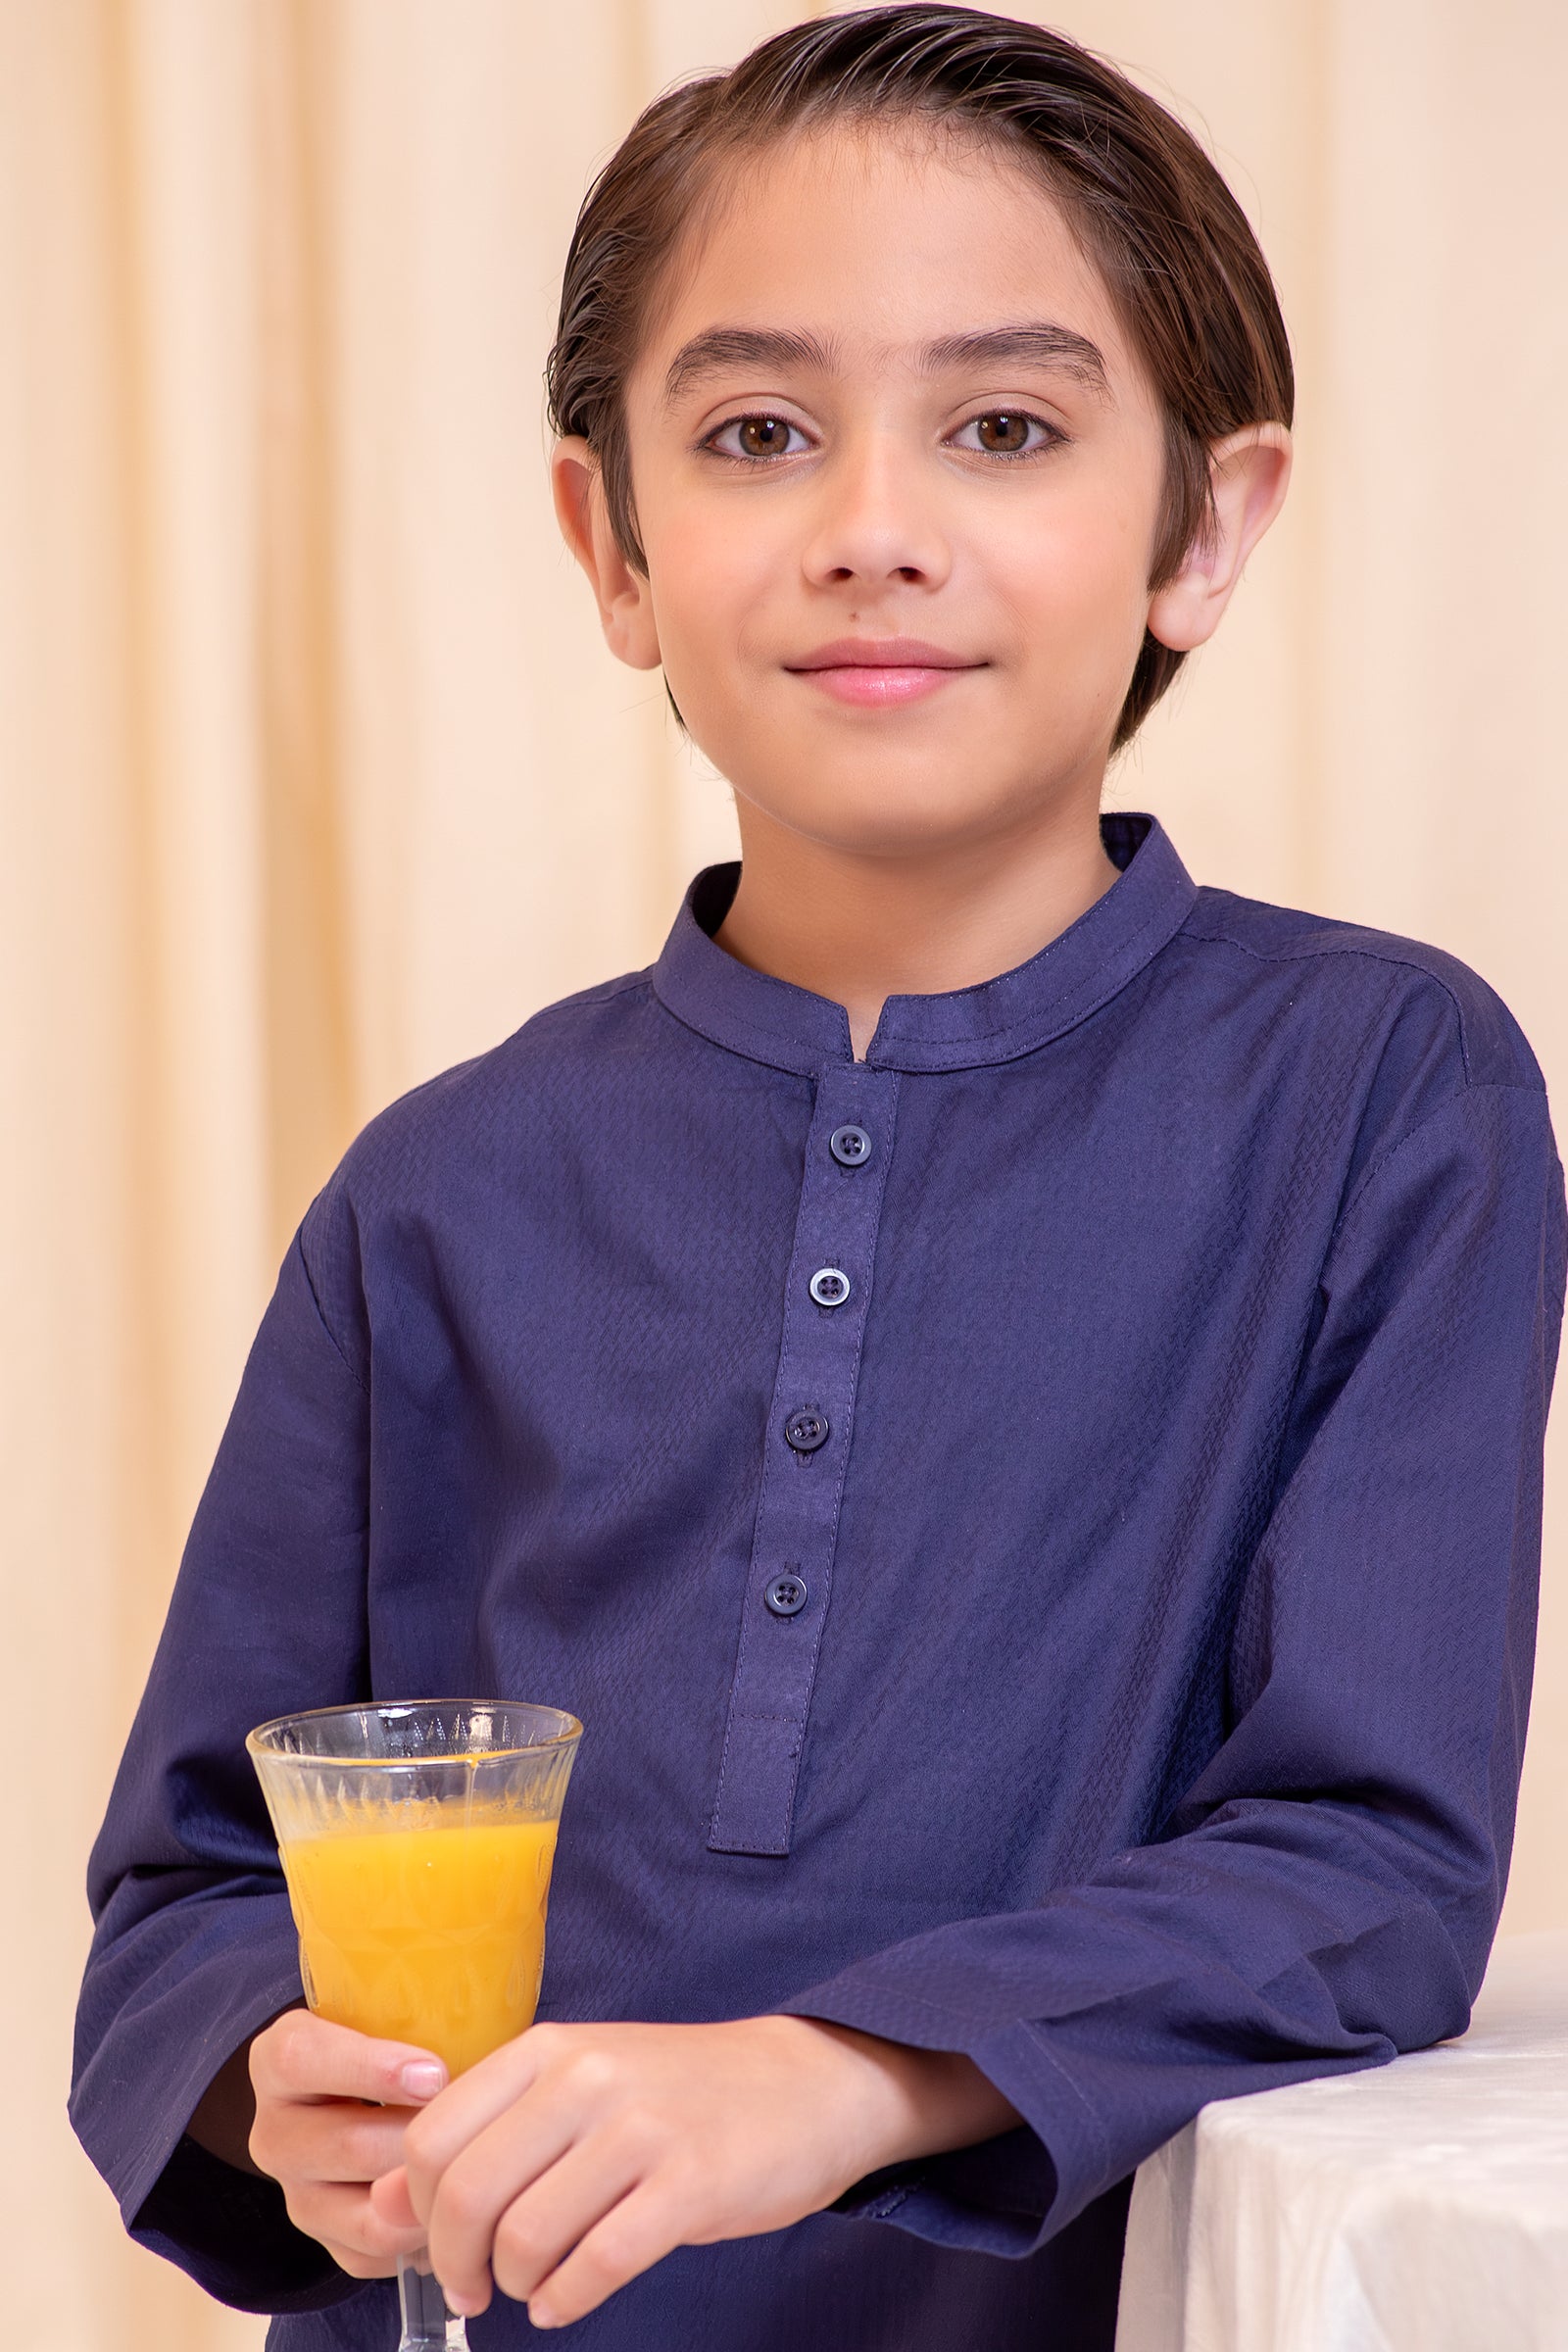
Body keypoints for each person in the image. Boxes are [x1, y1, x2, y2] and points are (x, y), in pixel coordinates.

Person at [72, 8, 1565, 2348]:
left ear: (1199, 528)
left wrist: (831, 2077)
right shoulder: (437, 1189)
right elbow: (187, 1890)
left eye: (1003, 427)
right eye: (757, 433)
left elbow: (1363, 1867)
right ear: (613, 544)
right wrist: (275, 2085)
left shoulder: (1377, 1091)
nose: (872, 526)